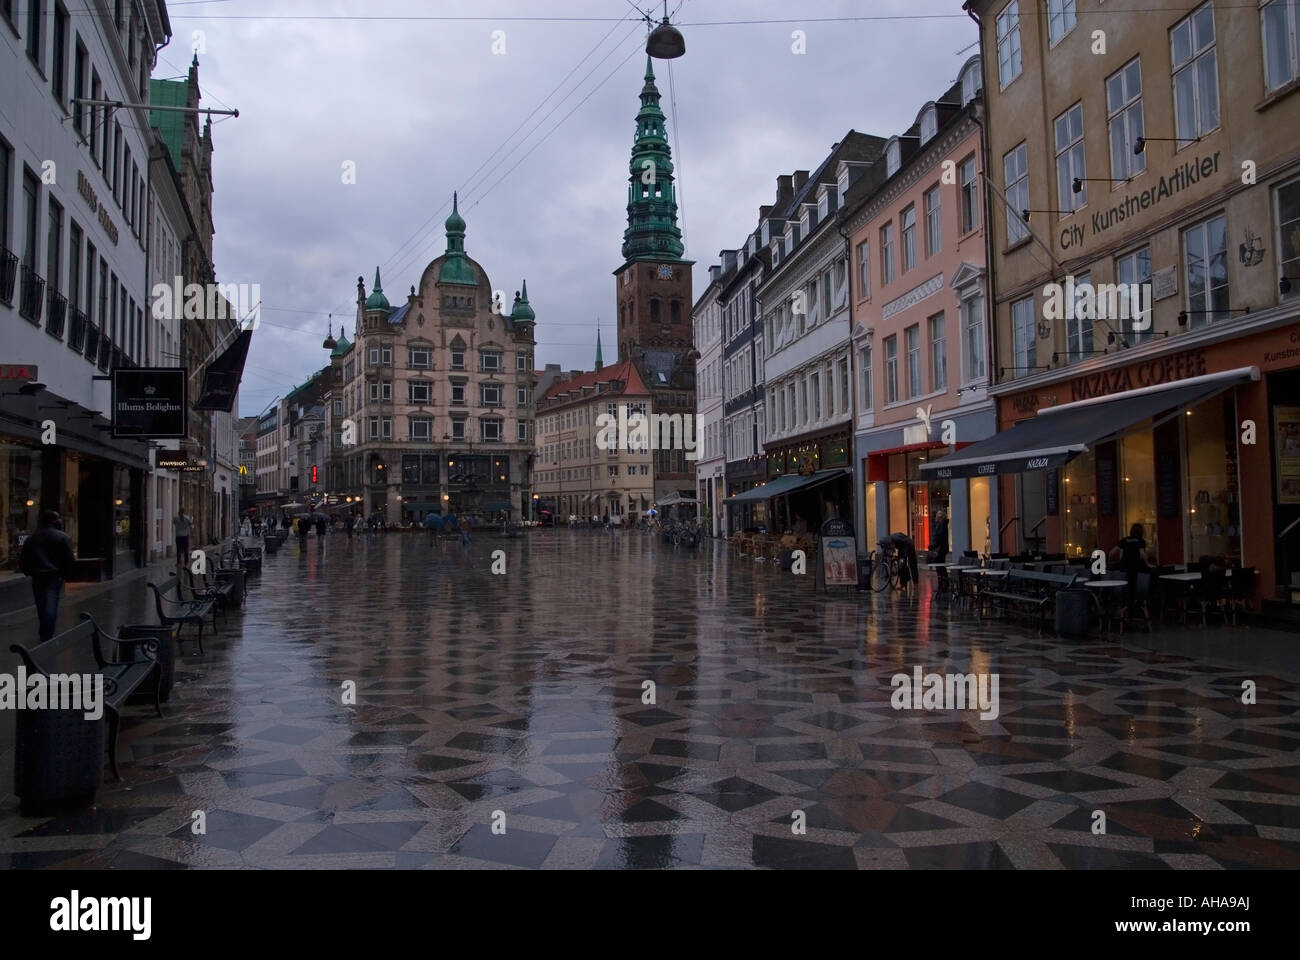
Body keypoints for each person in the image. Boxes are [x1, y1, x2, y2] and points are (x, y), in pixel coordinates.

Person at [19, 510, 77, 643]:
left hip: (37, 576)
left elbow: (24, 560)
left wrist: (29, 571)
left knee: (41, 604)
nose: (61, 521)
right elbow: (69, 559)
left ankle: (44, 630)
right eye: (58, 518)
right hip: (54, 576)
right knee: (51, 604)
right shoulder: (62, 537)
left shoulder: (32, 538)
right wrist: (65, 575)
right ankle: (47, 634)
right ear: (53, 521)